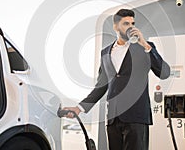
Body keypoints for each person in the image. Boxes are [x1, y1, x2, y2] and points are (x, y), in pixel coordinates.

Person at [63, 8, 170, 150]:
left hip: (136, 117)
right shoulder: (105, 53)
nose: (130, 27)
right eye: (126, 23)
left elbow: (164, 73)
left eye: (132, 23)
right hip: (113, 118)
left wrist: (145, 44)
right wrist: (79, 108)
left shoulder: (144, 48)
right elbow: (101, 86)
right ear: (116, 26)